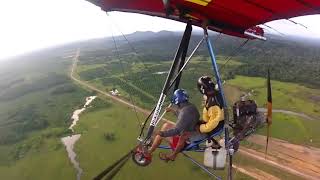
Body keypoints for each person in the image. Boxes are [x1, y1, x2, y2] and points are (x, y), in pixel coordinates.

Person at [147, 89, 200, 162]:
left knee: (160, 135)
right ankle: (154, 142)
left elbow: (176, 131)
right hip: (190, 133)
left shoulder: (184, 113)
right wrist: (173, 110)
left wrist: (161, 133)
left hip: (183, 142)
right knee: (166, 125)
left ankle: (149, 152)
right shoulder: (191, 107)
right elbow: (185, 117)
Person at [197, 76, 225, 148]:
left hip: (215, 125)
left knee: (191, 131)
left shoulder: (213, 105)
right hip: (213, 121)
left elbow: (212, 124)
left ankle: (215, 145)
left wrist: (201, 128)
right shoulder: (214, 94)